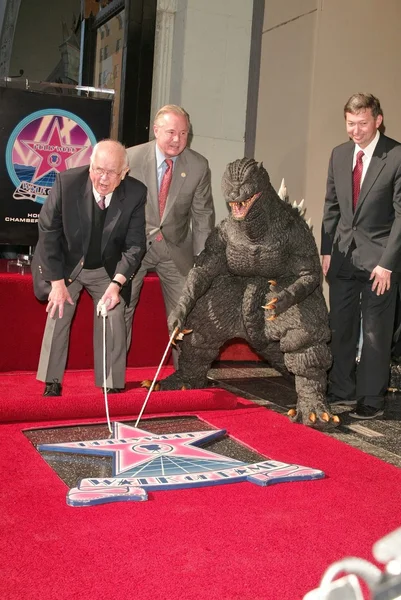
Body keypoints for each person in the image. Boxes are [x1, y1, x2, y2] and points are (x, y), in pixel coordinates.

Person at [32, 139, 147, 396]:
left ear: (124, 173)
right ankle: (52, 381)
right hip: (67, 265)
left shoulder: (136, 193)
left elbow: (135, 245)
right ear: (90, 166)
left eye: (111, 173)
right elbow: (48, 232)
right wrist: (57, 284)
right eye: (98, 170)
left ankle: (110, 383)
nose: (103, 179)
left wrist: (116, 285)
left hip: (105, 269)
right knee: (58, 308)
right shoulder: (67, 183)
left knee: (114, 313)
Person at [321, 93, 401, 420]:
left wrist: (388, 264)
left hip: (380, 262)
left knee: (374, 333)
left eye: (363, 123)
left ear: (378, 120)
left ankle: (371, 397)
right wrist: (326, 250)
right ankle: (341, 390)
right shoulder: (339, 155)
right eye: (350, 124)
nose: (356, 130)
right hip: (342, 258)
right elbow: (331, 207)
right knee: (340, 327)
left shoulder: (395, 156)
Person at [125, 105, 215, 363]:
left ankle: (184, 377)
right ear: (156, 131)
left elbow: (202, 215)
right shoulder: (130, 159)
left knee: (185, 315)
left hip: (176, 249)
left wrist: (203, 258)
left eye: (184, 133)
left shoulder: (198, 166)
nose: (177, 139)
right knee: (122, 309)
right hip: (134, 247)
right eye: (171, 132)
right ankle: (113, 378)